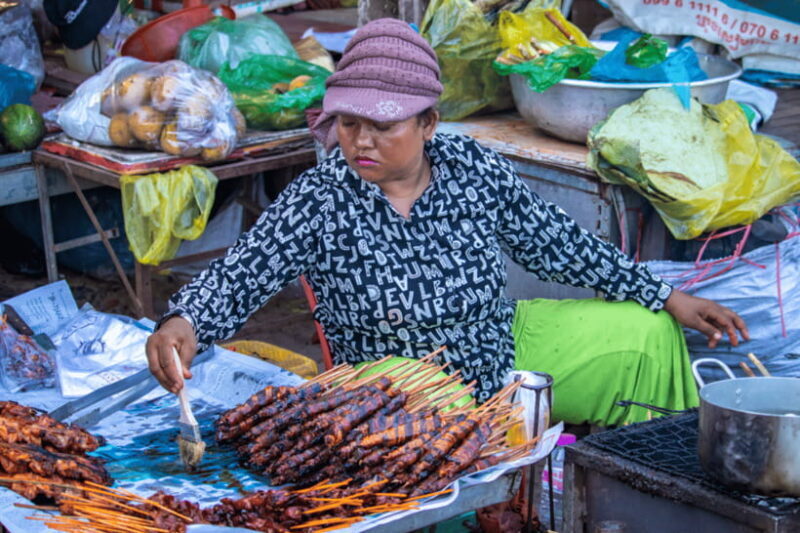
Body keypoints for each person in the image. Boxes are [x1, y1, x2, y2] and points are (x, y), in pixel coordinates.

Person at [146, 18, 748, 426]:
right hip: (390, 382)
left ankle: (634, 485)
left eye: (384, 125)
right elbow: (246, 269)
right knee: (428, 417)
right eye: (351, 123)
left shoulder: (470, 167)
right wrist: (185, 321)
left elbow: (557, 244)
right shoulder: (323, 195)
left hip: (496, 341)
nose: (362, 141)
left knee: (645, 337)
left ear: (429, 124)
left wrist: (666, 295)